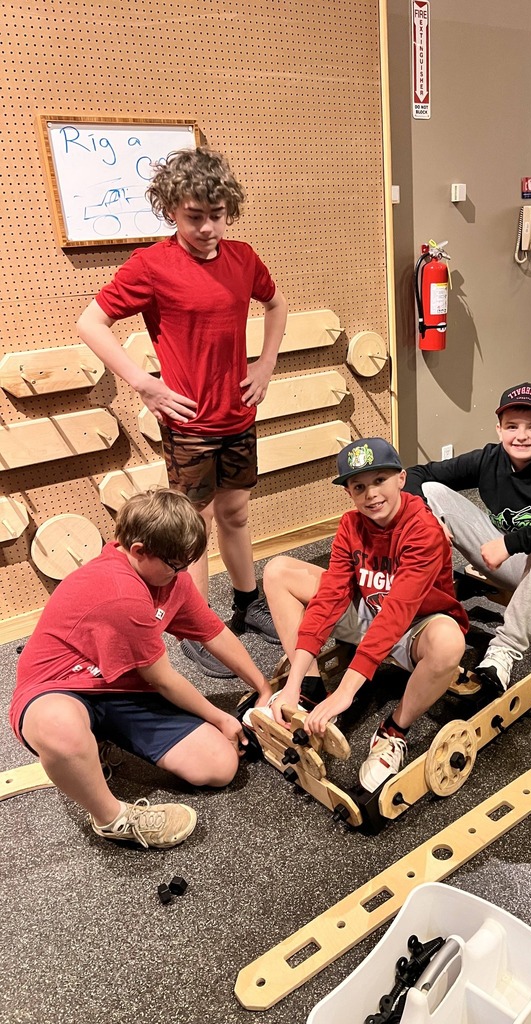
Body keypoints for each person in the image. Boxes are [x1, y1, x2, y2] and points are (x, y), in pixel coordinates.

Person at [77, 147, 288, 677]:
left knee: (236, 514)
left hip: (238, 414)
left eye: (218, 215)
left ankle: (246, 601)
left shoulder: (243, 258)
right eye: (196, 217)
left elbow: (276, 305)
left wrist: (264, 364)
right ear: (171, 208)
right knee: (193, 528)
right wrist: (143, 383)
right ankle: (197, 622)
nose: (209, 228)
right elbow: (91, 323)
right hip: (190, 422)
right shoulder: (152, 265)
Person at [8, 490, 273, 849]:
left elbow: (213, 631)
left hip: (122, 686)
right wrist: (222, 718)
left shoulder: (168, 578)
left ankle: (97, 740)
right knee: (61, 729)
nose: (182, 574)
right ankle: (112, 818)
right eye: (176, 565)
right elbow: (164, 680)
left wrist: (263, 686)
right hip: (58, 688)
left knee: (219, 766)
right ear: (138, 550)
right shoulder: (121, 593)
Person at [256, 438, 469, 792]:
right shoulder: (350, 525)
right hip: (370, 611)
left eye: (379, 480)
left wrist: (346, 692)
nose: (370, 494)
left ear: (401, 479)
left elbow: (398, 612)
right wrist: (292, 685)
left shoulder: (424, 531)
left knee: (449, 642)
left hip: (414, 627)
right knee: (278, 570)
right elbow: (329, 599)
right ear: (350, 494)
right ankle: (308, 690)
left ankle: (394, 731)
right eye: (359, 486)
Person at [405, 382, 531, 693]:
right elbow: (417, 475)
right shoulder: (489, 459)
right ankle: (416, 604)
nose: (521, 435)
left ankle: (504, 652)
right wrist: (429, 522)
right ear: (499, 430)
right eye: (512, 426)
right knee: (429, 493)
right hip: (507, 562)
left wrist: (511, 544)